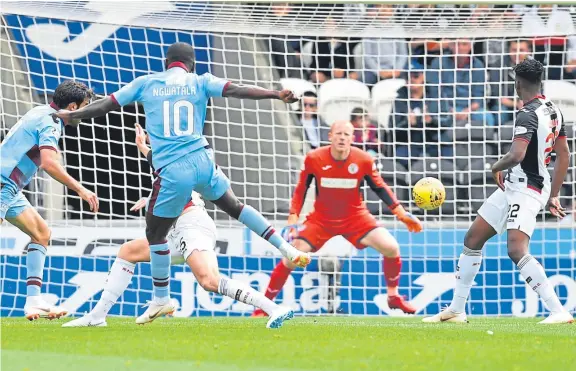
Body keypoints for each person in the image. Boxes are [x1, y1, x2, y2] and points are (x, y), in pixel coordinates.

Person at [55, 42, 311, 324]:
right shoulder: (200, 81)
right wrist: (275, 94)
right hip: (202, 161)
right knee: (235, 206)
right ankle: (286, 248)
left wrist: (73, 115)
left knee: (156, 235)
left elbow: (107, 104)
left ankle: (162, 299)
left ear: (167, 62)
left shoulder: (147, 83)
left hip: (177, 179)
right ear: (191, 64)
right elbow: (237, 89)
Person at [63, 124, 294, 328]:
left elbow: (176, 191)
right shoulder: (162, 159)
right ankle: (97, 315)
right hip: (177, 229)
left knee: (209, 281)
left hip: (191, 225)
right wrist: (144, 157)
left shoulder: (175, 159)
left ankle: (273, 308)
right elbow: (160, 177)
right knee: (128, 251)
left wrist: (149, 174)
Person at [424, 58, 574, 324]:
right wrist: (554, 194)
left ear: (517, 83)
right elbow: (564, 155)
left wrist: (495, 166)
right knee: (473, 240)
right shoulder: (554, 110)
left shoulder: (527, 114)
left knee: (516, 249)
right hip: (516, 185)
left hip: (527, 188)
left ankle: (558, 311)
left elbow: (517, 154)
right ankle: (457, 310)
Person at [253, 120, 423, 317]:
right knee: (292, 257)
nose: (342, 137)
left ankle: (393, 296)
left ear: (352, 138)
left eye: (347, 134)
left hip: (356, 218)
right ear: (330, 136)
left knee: (391, 247)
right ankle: (263, 307)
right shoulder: (314, 158)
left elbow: (380, 187)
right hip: (321, 220)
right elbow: (301, 190)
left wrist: (401, 214)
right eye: (338, 133)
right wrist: (292, 221)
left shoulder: (364, 160)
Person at [0, 80, 98, 320]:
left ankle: (34, 301)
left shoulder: (41, 112)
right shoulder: (51, 121)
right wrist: (81, 190)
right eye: (85, 106)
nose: (86, 112)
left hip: (11, 188)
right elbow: (49, 164)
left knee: (41, 233)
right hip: (2, 184)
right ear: (73, 107)